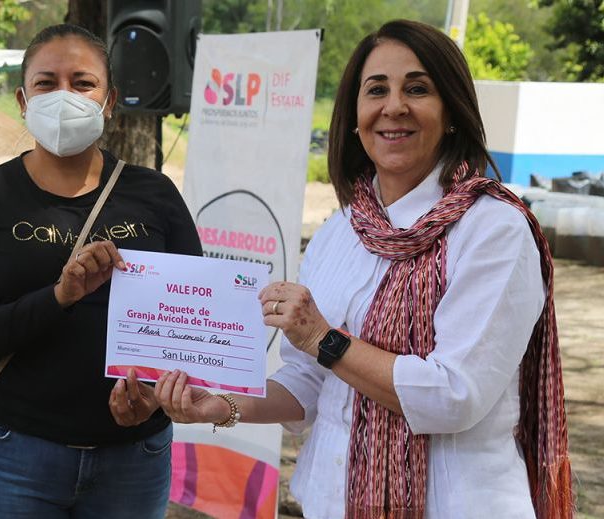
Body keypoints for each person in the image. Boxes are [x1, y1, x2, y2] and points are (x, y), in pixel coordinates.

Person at [155, 19, 573, 519]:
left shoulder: (494, 229)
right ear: (355, 117)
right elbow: (309, 381)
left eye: (417, 89)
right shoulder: (342, 229)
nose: (393, 106)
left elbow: (454, 395)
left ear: (452, 112)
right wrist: (222, 405)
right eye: (376, 90)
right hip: (334, 502)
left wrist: (324, 338)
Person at [0, 23, 202, 518]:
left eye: (83, 83)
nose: (64, 96)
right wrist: (59, 296)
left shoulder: (155, 194)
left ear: (110, 101)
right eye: (46, 83)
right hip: (9, 456)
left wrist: (152, 397)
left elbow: (191, 325)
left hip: (134, 461)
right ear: (23, 100)